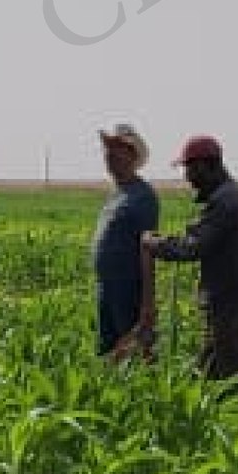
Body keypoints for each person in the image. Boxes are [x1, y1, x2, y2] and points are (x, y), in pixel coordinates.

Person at [146, 135, 238, 381]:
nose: (187, 177)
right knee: (211, 362)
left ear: (206, 165)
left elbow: (193, 247)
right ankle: (203, 406)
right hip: (227, 293)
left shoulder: (225, 201)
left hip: (228, 295)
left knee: (233, 366)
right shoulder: (227, 195)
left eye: (189, 168)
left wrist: (155, 245)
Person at [90, 124, 162, 358]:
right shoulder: (116, 193)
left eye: (116, 150)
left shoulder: (143, 196)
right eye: (107, 150)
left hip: (128, 286)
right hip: (106, 285)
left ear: (133, 155)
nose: (109, 156)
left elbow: (148, 247)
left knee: (135, 350)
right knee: (109, 351)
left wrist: (148, 302)